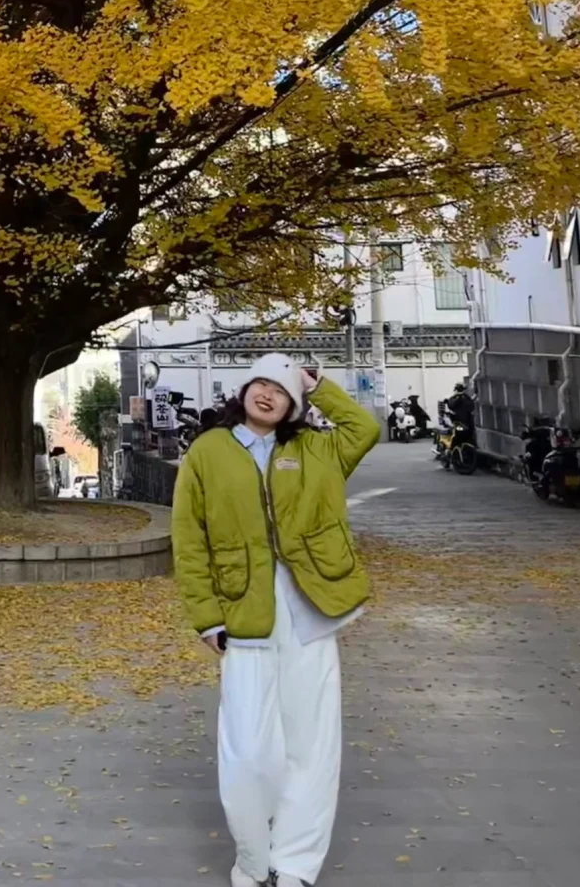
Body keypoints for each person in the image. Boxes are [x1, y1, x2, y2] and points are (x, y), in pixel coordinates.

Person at [172, 354, 380, 887]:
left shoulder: (315, 448)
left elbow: (366, 427)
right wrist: (206, 615)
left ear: (294, 405)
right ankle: (251, 859)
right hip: (244, 614)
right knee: (248, 750)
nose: (267, 394)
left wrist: (319, 385)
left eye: (281, 390)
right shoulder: (209, 451)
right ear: (242, 391)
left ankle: (296, 864)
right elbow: (190, 541)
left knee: (312, 744)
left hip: (311, 611)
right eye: (259, 384)